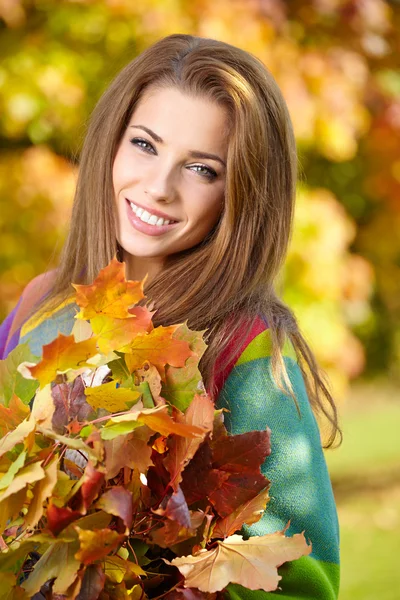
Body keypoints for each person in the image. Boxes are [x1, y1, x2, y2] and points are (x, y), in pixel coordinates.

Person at [0, 34, 340, 599]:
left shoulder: (244, 344)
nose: (158, 188)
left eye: (202, 169)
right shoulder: (42, 303)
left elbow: (306, 582)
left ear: (244, 194)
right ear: (111, 140)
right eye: (144, 145)